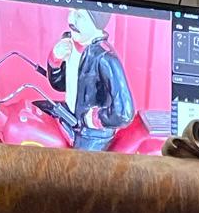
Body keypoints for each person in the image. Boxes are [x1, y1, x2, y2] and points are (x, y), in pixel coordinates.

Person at [41, 8, 135, 151]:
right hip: (70, 114)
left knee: (78, 163)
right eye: (71, 12)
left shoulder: (105, 58)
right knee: (32, 115)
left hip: (91, 133)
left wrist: (95, 119)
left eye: (79, 16)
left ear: (97, 22)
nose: (71, 20)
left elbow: (124, 112)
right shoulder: (69, 42)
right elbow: (59, 85)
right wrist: (55, 60)